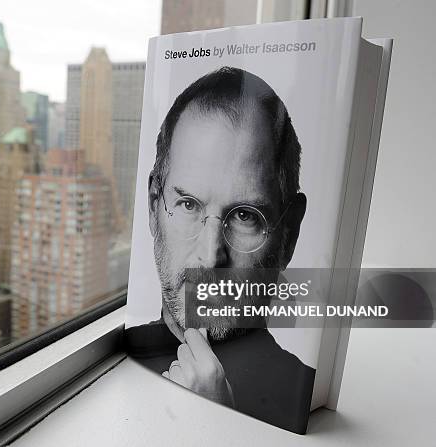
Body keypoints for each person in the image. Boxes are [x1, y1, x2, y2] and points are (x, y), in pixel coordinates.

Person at [125, 67, 314, 433]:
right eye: (189, 205)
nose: (211, 257)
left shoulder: (303, 398)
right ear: (153, 207)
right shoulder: (111, 358)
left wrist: (217, 430)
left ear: (288, 234)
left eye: (245, 215)